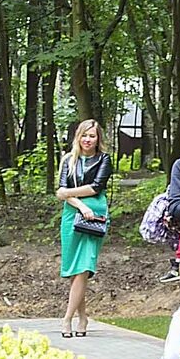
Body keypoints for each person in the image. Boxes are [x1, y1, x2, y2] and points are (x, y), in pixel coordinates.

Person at [55, 117, 111, 337]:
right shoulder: (68, 159)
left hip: (94, 214)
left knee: (83, 268)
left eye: (92, 136)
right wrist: (77, 203)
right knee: (74, 271)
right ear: (78, 137)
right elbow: (62, 188)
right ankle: (83, 317)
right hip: (72, 214)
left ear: (98, 139)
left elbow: (96, 187)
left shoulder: (103, 159)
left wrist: (67, 193)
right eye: (84, 135)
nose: (88, 139)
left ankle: (67, 319)